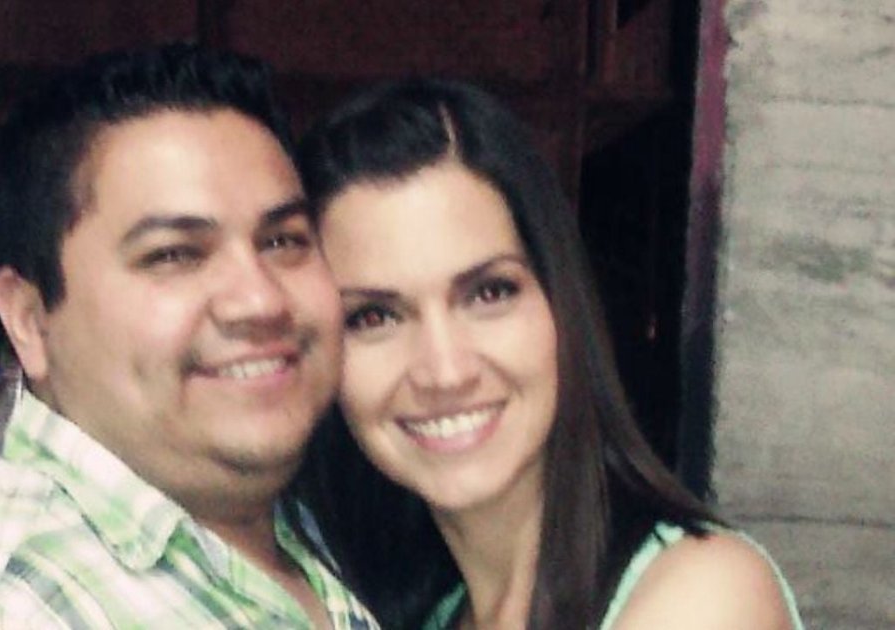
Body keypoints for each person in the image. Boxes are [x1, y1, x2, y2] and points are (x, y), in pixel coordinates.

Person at [0, 45, 379, 629]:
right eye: (174, 255)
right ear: (30, 318)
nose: (260, 300)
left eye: (283, 241)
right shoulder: (4, 607)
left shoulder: (313, 530)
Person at [295, 78, 804, 629]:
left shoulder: (704, 592)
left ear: (561, 301)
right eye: (374, 317)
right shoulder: (429, 614)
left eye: (489, 292)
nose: (444, 371)